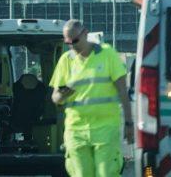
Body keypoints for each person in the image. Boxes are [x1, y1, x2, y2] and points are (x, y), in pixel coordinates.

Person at [50, 20, 132, 177]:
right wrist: (61, 95)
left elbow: (122, 91)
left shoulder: (107, 54)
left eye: (75, 41)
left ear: (85, 33)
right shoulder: (66, 60)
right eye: (68, 42)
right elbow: (55, 97)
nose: (72, 45)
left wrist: (129, 123)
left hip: (105, 128)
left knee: (106, 173)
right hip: (76, 130)